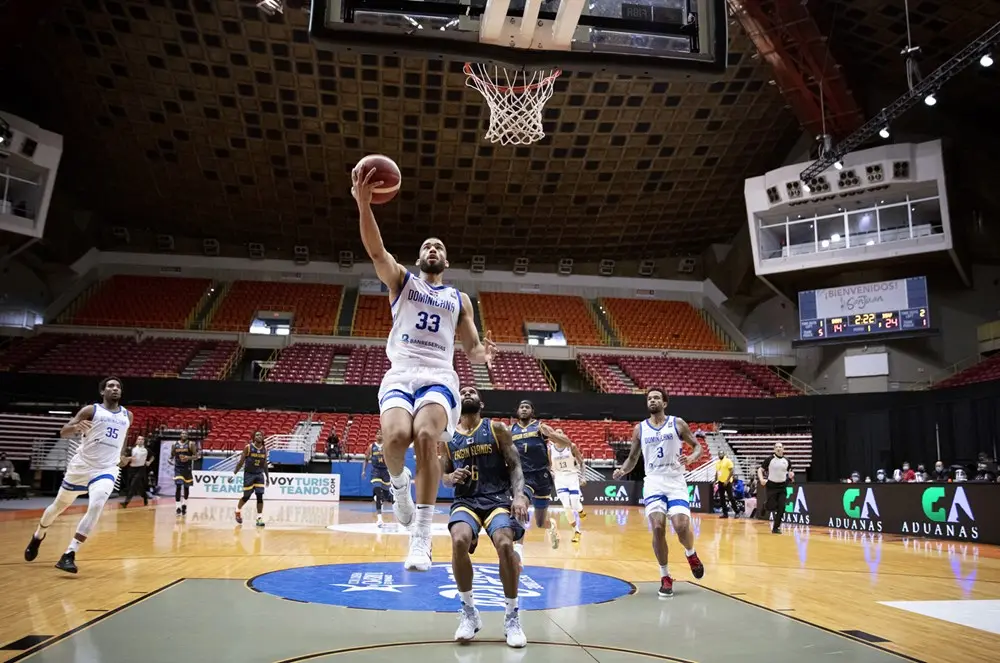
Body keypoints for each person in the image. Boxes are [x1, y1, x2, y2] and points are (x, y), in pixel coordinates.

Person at [352, 165, 497, 571]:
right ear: (419, 257)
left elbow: (470, 348)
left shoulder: (459, 299)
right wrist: (365, 206)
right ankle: (400, 487)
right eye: (427, 246)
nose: (432, 249)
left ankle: (421, 536)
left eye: (438, 246)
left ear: (446, 259)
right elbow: (376, 250)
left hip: (437, 375)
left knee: (426, 435)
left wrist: (483, 356)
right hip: (400, 372)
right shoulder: (403, 282)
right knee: (395, 439)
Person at [440, 386, 528, 648]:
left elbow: (515, 466)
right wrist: (450, 477)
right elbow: (443, 476)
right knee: (458, 541)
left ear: (481, 402)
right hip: (466, 500)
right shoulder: (447, 436)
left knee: (504, 544)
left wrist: (520, 495)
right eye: (463, 391)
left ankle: (512, 616)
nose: (467, 393)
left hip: (497, 498)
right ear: (457, 402)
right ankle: (469, 612)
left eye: (472, 391)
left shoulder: (497, 429)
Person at [24, 377, 132, 574]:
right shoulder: (91, 410)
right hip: (82, 466)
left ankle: (69, 554)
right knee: (58, 507)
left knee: (97, 504)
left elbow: (123, 438)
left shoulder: (128, 415)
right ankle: (38, 535)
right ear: (103, 392)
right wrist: (75, 428)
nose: (114, 389)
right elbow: (63, 432)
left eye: (117, 386)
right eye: (110, 386)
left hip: (106, 468)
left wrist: (122, 455)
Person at [613, 387, 705, 598]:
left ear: (664, 403)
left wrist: (690, 459)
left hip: (675, 480)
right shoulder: (640, 429)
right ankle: (665, 575)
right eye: (649, 398)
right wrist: (622, 470)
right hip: (653, 481)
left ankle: (690, 554)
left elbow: (697, 447)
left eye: (657, 397)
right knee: (657, 527)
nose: (652, 400)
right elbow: (633, 457)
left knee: (681, 526)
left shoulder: (677, 423)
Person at [511, 400, 558, 560]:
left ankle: (551, 525)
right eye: (521, 407)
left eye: (527, 407)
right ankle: (518, 550)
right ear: (517, 411)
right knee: (520, 506)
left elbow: (557, 443)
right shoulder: (511, 430)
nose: (524, 409)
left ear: (532, 411)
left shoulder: (540, 427)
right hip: (524, 476)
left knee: (539, 523)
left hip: (542, 476)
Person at [544, 426, 586, 543]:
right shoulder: (550, 449)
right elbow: (549, 465)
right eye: (555, 434)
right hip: (560, 479)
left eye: (560, 433)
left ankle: (580, 510)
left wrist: (583, 477)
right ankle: (576, 531)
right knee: (566, 507)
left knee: (575, 502)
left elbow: (581, 461)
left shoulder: (571, 446)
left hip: (572, 476)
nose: (558, 435)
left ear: (563, 436)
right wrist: (551, 474)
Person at [233, 430, 268, 527]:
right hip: (249, 474)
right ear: (253, 437)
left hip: (259, 475)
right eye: (257, 435)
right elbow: (240, 462)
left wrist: (267, 477)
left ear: (263, 437)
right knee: (246, 496)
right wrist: (234, 474)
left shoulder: (264, 449)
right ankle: (237, 510)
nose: (259, 436)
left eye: (261, 435)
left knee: (260, 496)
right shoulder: (248, 448)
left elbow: (264, 464)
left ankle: (259, 518)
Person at [758, 442, 793, 534]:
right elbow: (760, 470)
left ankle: (776, 528)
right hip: (771, 486)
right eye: (776, 447)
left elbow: (789, 472)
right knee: (771, 505)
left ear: (783, 449)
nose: (778, 448)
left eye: (780, 447)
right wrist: (761, 479)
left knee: (782, 507)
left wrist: (791, 476)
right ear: (774, 449)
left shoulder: (787, 461)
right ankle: (765, 506)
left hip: (782, 486)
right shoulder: (770, 459)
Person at [361, 429, 392, 527]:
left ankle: (382, 497)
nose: (379, 435)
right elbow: (366, 459)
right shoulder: (371, 446)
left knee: (386, 496)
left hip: (386, 471)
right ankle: (379, 519)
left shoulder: (387, 446)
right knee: (378, 492)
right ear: (375, 436)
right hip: (376, 471)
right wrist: (363, 471)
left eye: (381, 434)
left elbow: (392, 459)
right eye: (377, 433)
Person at [120, 435, 153, 507]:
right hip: (132, 469)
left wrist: (149, 462)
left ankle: (126, 502)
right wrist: (129, 458)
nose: (140, 440)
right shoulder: (132, 449)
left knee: (133, 485)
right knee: (139, 486)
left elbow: (152, 456)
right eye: (139, 439)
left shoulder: (146, 450)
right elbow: (125, 458)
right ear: (136, 441)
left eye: (142, 439)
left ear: (144, 441)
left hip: (141, 469)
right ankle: (145, 497)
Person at [171, 431, 197, 516]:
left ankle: (184, 505)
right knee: (178, 486)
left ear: (187, 436)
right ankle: (177, 507)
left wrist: (188, 457)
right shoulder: (174, 444)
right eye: (182, 433)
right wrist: (169, 460)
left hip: (187, 468)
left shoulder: (191, 444)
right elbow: (171, 456)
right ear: (180, 435)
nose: (184, 435)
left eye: (185, 434)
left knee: (186, 488)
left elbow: (196, 456)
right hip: (178, 468)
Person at [715, 449, 735, 518]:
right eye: (719, 454)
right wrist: (715, 481)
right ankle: (725, 513)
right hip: (720, 482)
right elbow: (717, 472)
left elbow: (732, 471)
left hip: (728, 482)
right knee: (722, 498)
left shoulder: (727, 461)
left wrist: (727, 480)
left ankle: (737, 511)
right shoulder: (717, 463)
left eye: (721, 454)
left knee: (731, 497)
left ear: (724, 454)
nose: (720, 455)